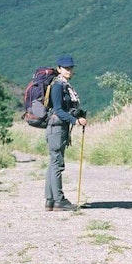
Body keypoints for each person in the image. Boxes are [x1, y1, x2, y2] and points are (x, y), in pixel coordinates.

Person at [45, 54, 87, 211]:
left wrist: (76, 114)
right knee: (57, 164)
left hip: (57, 129)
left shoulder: (63, 85)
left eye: (71, 68)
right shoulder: (58, 86)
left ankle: (50, 200)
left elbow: (64, 108)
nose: (69, 70)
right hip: (56, 129)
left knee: (53, 163)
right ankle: (59, 200)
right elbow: (58, 110)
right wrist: (75, 120)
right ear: (59, 69)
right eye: (66, 68)